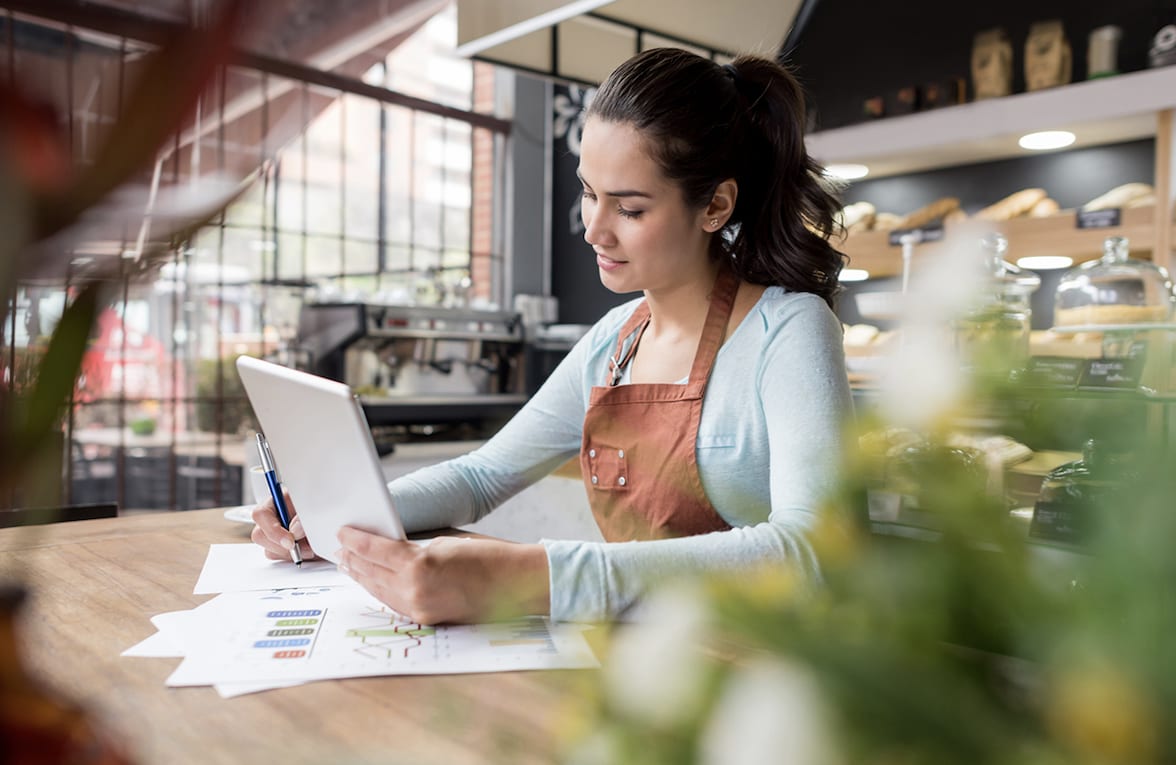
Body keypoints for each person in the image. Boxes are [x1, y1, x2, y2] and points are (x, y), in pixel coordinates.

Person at [252, 47, 853, 624]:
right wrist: (336, 517)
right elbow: (481, 477)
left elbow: (811, 552)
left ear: (716, 206)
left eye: (631, 209)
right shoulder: (613, 342)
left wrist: (529, 576)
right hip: (649, 668)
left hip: (764, 673)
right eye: (589, 192)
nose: (593, 230)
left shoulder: (790, 330)